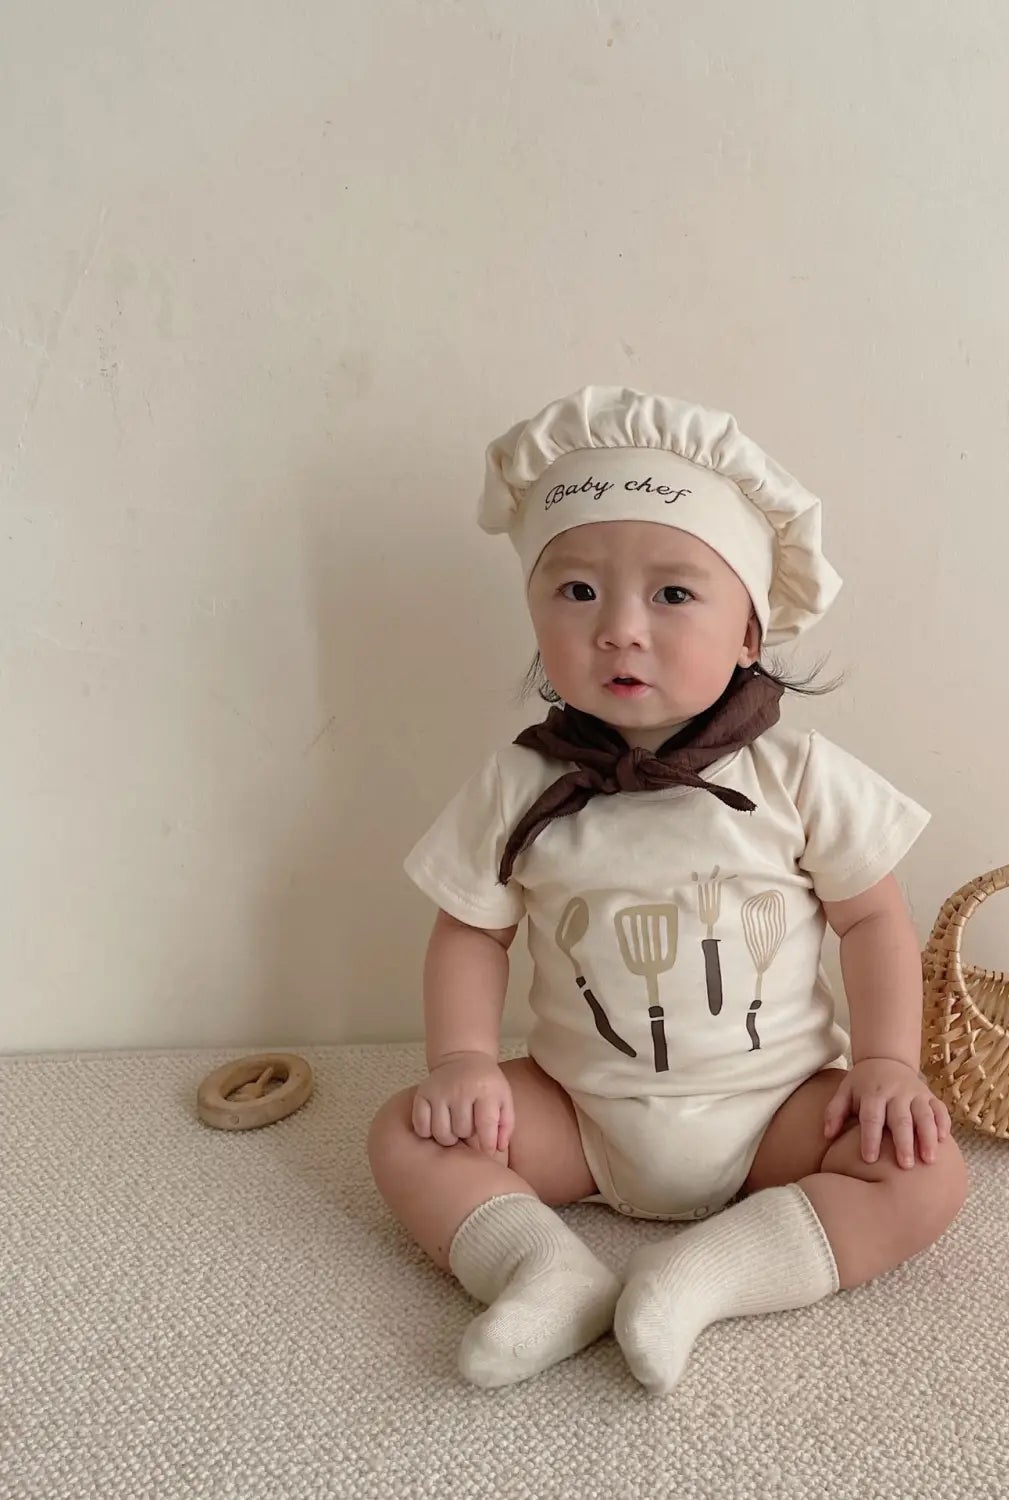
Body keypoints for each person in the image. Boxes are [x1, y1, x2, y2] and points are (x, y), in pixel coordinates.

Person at [366, 385, 968, 1394]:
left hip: (778, 1115)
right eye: (577, 591)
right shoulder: (519, 783)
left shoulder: (798, 774)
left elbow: (873, 920)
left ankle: (705, 1277)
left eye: (674, 595)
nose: (620, 630)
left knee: (925, 1171)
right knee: (405, 1134)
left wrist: (885, 1066)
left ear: (749, 633)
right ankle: (544, 1270)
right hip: (578, 1115)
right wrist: (463, 1062)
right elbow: (471, 933)